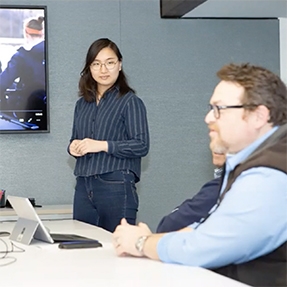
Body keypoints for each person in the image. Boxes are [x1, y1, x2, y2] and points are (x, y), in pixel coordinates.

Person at [112, 63, 287, 287]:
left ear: (258, 116)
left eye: (219, 109)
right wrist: (151, 241)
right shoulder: (256, 162)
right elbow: (208, 227)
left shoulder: (269, 176)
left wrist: (141, 243)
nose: (208, 118)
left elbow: (203, 247)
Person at [68, 38, 149, 233]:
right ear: (89, 68)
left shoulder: (130, 101)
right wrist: (72, 147)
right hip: (83, 184)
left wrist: (102, 145)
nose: (103, 70)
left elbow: (141, 145)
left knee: (118, 248)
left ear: (119, 65)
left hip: (116, 183)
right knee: (83, 247)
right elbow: (74, 139)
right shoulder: (82, 104)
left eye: (109, 62)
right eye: (96, 64)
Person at [156, 142, 226, 233]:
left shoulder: (224, 187)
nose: (216, 144)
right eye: (214, 133)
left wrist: (143, 241)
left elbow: (169, 226)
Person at [0, 16, 46, 129]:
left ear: (26, 32)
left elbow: (2, 83)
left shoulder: (21, 57)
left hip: (28, 109)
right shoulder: (51, 52)